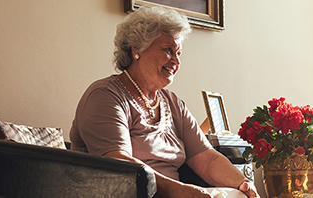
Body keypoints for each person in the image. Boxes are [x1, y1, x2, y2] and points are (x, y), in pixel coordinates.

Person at [69, 6, 259, 198]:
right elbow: (119, 165)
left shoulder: (172, 102)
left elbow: (206, 158)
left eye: (179, 53)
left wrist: (244, 184)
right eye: (169, 50)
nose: (176, 61)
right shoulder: (105, 96)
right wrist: (180, 190)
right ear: (137, 49)